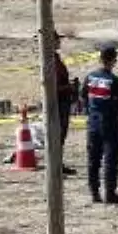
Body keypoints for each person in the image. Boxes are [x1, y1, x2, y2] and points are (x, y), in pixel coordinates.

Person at [80, 46, 118, 205]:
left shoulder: (90, 77)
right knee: (111, 160)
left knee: (93, 159)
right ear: (113, 61)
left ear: (100, 58)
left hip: (93, 124)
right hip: (110, 125)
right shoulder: (115, 81)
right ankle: (110, 194)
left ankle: (94, 193)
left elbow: (83, 96)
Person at [52, 32, 78, 177]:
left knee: (60, 136)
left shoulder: (55, 58)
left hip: (62, 101)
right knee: (57, 135)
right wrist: (69, 87)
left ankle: (58, 164)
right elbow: (52, 87)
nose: (59, 42)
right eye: (57, 40)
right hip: (58, 103)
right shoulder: (51, 60)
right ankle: (56, 167)